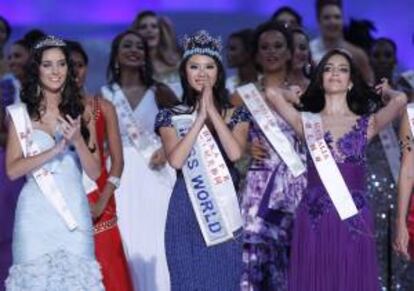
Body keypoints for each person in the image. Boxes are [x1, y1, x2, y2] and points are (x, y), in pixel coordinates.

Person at [264, 48, 406, 290]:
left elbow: (400, 100)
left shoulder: (367, 123)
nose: (335, 73)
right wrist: (292, 95)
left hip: (354, 213)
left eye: (342, 69)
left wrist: (385, 90)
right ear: (320, 79)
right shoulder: (305, 121)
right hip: (314, 213)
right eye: (328, 69)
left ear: (351, 82)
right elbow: (270, 93)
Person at [4, 35, 104, 290]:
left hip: (74, 210)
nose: (55, 70)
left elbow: (94, 172)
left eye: (61, 63)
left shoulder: (83, 111)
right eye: (47, 64)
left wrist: (77, 142)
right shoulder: (20, 113)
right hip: (34, 214)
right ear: (36, 68)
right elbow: (13, 170)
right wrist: (57, 149)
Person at [155, 30, 250, 290]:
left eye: (209, 67)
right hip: (185, 212)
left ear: (219, 72)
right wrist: (198, 119)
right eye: (194, 67)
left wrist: (213, 114)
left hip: (223, 211)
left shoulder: (236, 114)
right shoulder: (170, 116)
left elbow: (235, 154)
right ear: (184, 72)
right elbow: (176, 160)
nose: (202, 73)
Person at [101, 30, 177, 291]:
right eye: (127, 45)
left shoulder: (160, 91)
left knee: (156, 239)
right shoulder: (104, 94)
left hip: (155, 174)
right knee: (126, 238)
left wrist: (168, 150)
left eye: (139, 47)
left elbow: (185, 127)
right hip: (118, 177)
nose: (134, 50)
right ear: (116, 55)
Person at [238, 22, 307, 291]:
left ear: (290, 52)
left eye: (278, 46)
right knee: (253, 264)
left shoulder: (307, 94)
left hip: (296, 186)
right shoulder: (242, 96)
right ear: (255, 55)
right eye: (264, 47)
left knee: (293, 263)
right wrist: (244, 149)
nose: (271, 52)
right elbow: (226, 138)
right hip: (259, 185)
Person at [67, 40, 133, 291]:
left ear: (86, 68)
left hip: (99, 199)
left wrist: (104, 199)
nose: (74, 71)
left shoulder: (103, 107)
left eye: (79, 65)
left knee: (108, 266)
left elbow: (118, 161)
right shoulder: (47, 110)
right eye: (67, 65)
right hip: (63, 198)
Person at [0, 32, 45, 289]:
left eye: (18, 55)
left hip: (45, 166)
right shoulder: (5, 88)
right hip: (12, 167)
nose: (13, 61)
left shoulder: (46, 90)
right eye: (9, 57)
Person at [310, 0, 374, 83]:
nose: (332, 22)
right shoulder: (309, 51)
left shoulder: (357, 54)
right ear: (318, 21)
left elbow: (369, 85)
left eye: (337, 17)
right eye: (327, 17)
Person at [131, 10, 182, 97]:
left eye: (154, 26)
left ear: (161, 32)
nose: (149, 30)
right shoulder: (131, 67)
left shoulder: (179, 62)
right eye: (143, 27)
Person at [225, 29, 257, 95]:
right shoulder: (228, 85)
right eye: (227, 49)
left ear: (249, 51)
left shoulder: (266, 83)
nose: (228, 54)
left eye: (233, 49)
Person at [288, 27, 312, 91]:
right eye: (291, 48)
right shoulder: (272, 86)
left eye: (302, 48)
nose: (297, 52)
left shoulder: (319, 86)